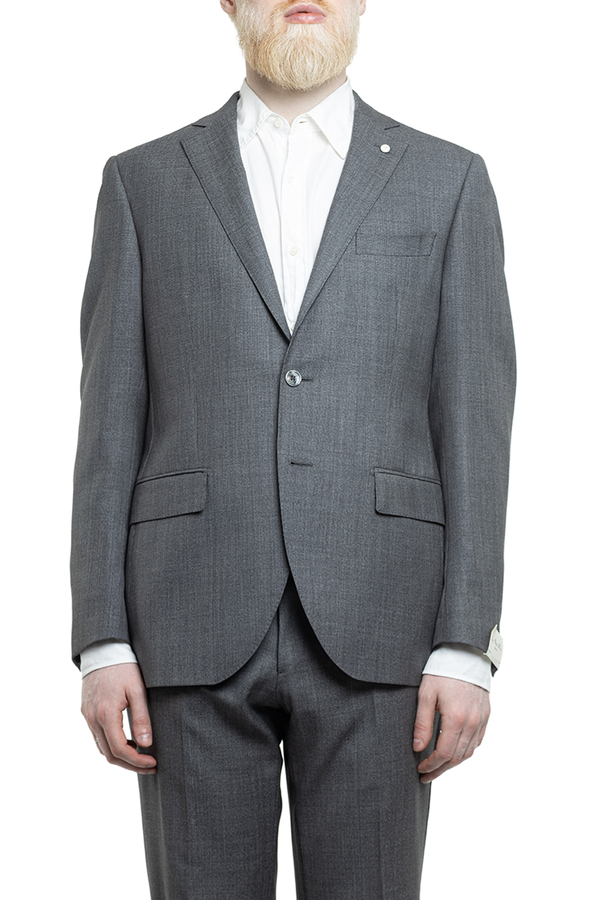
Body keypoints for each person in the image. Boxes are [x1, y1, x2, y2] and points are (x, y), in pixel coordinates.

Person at [72, 1, 516, 897]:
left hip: (384, 621)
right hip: (187, 622)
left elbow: (476, 421)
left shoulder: (449, 180)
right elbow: (107, 420)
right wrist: (101, 637)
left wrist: (467, 642)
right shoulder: (142, 181)